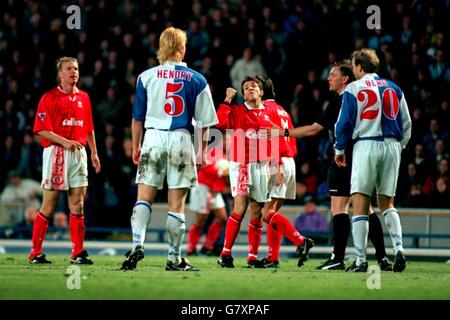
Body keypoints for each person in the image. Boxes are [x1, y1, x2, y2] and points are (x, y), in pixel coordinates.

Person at [279, 60, 393, 271]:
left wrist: (284, 132)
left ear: (345, 78)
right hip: (364, 157)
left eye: (333, 75)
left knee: (340, 208)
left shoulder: (342, 99)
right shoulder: (360, 97)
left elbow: (314, 130)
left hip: (344, 159)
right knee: (365, 208)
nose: (328, 78)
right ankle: (383, 258)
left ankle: (337, 258)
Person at [120, 27, 218, 272]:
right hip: (181, 140)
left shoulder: (146, 76)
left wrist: (136, 145)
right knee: (177, 205)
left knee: (144, 198)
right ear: (182, 48)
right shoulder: (198, 79)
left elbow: (137, 118)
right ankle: (174, 259)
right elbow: (205, 123)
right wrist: (202, 151)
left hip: (152, 137)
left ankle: (137, 245)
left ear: (161, 47)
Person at [216, 76, 313, 268]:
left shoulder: (270, 114)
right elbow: (220, 124)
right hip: (241, 163)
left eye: (254, 86)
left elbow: (276, 142)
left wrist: (277, 168)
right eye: (246, 87)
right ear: (243, 94)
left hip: (262, 164)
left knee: (257, 211)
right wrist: (227, 100)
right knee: (240, 207)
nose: (250, 89)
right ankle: (225, 254)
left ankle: (252, 257)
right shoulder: (236, 110)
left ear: (261, 92)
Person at [334, 48, 412, 272]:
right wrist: (399, 146)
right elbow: (406, 122)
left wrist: (339, 149)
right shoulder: (394, 88)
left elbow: (343, 124)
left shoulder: (354, 88)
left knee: (360, 203)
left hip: (366, 144)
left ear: (358, 67)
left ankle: (361, 260)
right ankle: (399, 249)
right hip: (392, 146)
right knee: (387, 202)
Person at [29, 56, 101, 264]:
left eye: (76, 69)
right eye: (69, 69)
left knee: (77, 204)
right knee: (49, 206)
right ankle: (35, 252)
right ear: (60, 74)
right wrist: (65, 141)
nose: (74, 72)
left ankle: (77, 253)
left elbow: (89, 127)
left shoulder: (84, 98)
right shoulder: (49, 97)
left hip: (79, 154)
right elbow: (40, 130)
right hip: (56, 153)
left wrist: (94, 153)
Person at [254, 75, 298, 269]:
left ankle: (301, 241)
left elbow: (271, 139)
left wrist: (277, 165)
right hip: (290, 161)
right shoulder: (283, 111)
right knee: (272, 215)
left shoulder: (264, 110)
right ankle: (273, 257)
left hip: (276, 161)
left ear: (261, 92)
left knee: (266, 213)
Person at [186, 140, 229, 256]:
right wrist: (221, 172)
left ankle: (207, 246)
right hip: (203, 187)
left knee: (222, 218)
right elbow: (205, 168)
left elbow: (223, 177)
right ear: (222, 141)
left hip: (214, 191)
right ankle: (191, 248)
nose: (230, 143)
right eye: (228, 141)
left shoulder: (224, 156)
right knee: (201, 220)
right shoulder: (211, 153)